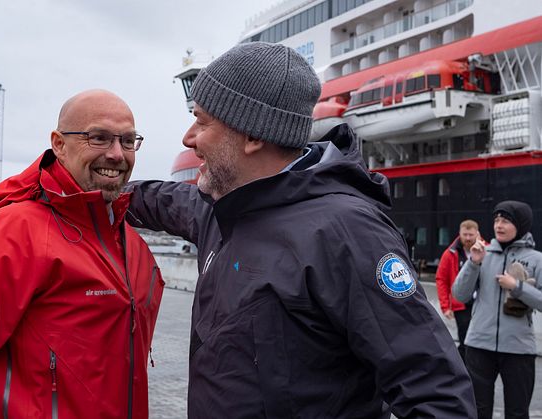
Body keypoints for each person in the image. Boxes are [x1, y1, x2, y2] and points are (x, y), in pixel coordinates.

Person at [128, 42, 475, 418]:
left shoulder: (347, 233)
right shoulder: (223, 209)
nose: (188, 138)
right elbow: (161, 200)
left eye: (203, 121)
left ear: (253, 136)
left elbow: (438, 395)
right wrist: (91, 189)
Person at [0, 89, 165, 418]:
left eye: (128, 141)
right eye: (99, 138)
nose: (117, 154)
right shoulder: (10, 234)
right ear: (59, 144)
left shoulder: (134, 248)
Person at [453, 200, 542, 419]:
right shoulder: (482, 254)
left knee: (517, 412)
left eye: (506, 221)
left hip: (518, 349)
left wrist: (517, 288)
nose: (499, 225)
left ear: (521, 224)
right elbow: (459, 294)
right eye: (496, 220)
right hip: (478, 345)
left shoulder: (537, 259)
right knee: (477, 411)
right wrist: (473, 264)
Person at [435, 219, 482, 361]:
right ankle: (465, 369)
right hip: (461, 304)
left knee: (481, 340)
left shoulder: (488, 250)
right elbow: (441, 279)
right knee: (465, 340)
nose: (468, 238)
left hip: (482, 303)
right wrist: (445, 306)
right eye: (465, 234)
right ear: (460, 234)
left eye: (471, 235)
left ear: (477, 234)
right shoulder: (450, 253)